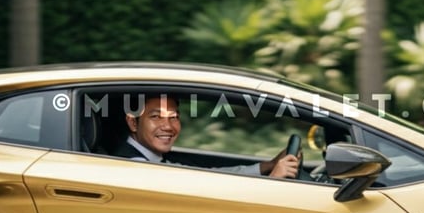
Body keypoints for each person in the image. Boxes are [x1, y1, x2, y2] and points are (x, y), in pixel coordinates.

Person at [112, 93, 300, 178]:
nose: (168, 126)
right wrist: (274, 180)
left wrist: (268, 166)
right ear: (133, 122)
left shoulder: (153, 159)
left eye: (174, 117)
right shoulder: (137, 169)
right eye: (156, 117)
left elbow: (212, 177)